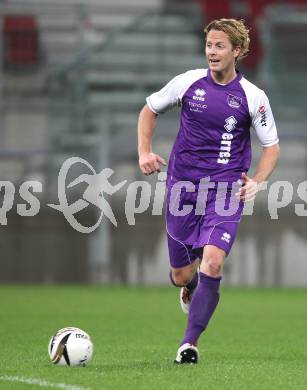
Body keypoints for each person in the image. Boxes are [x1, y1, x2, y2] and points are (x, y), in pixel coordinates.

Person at [137, 18, 280, 364]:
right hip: (182, 190)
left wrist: (257, 180)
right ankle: (188, 287)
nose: (212, 52)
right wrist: (144, 151)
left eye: (220, 46)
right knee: (182, 274)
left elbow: (271, 147)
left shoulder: (253, 97)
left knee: (213, 263)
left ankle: (189, 344)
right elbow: (149, 110)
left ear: (238, 51)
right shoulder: (189, 82)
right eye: (209, 46)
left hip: (225, 192)